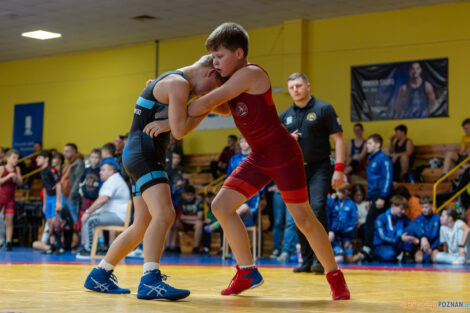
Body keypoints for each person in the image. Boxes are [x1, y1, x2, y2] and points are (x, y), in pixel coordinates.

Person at [186, 22, 349, 300]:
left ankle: (335, 277)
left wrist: (167, 98)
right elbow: (222, 107)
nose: (215, 62)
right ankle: (247, 271)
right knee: (221, 206)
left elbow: (205, 103)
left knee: (304, 219)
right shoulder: (233, 82)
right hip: (260, 156)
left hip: (284, 154)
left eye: (220, 56)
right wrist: (171, 89)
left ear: (239, 53)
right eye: (212, 57)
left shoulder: (250, 74)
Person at [83, 54, 223, 300]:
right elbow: (180, 129)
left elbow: (184, 124)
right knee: (165, 214)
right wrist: (195, 111)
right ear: (210, 72)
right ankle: (150, 279)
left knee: (142, 224)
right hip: (144, 153)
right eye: (215, 86)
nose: (210, 93)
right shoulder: (178, 84)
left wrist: (186, 114)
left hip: (139, 153)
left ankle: (100, 274)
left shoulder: (176, 80)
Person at [279, 72, 346, 274]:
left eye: (299, 85)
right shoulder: (285, 115)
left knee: (317, 208)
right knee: (300, 214)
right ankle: (306, 260)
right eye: (291, 87)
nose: (295, 90)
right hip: (295, 170)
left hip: (319, 167)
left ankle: (320, 259)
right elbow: (279, 146)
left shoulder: (323, 108)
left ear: (308, 86)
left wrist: (339, 170)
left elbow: (340, 140)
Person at [77, 163, 130, 258]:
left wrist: (88, 212)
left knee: (89, 219)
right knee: (91, 216)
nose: (100, 172)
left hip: (118, 216)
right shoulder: (113, 180)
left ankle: (89, 250)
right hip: (114, 214)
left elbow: (103, 199)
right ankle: (96, 247)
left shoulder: (113, 181)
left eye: (103, 170)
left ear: (111, 171)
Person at [360, 134, 394, 261]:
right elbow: (371, 181)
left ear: (377, 145)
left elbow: (387, 178)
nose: (367, 146)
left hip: (381, 195)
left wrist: (383, 197)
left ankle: (368, 247)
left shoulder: (383, 159)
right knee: (372, 221)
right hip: (374, 195)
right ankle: (373, 248)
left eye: (369, 143)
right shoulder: (371, 159)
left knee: (370, 220)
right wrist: (369, 198)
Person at [373, 195, 418, 262]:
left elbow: (414, 226)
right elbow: (383, 237)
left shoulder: (403, 217)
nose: (403, 212)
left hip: (396, 244)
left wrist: (422, 237)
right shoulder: (381, 218)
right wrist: (400, 238)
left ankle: (406, 254)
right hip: (382, 245)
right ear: (393, 206)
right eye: (401, 209)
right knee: (389, 256)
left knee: (410, 229)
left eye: (404, 209)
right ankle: (377, 256)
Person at [37, 150, 62, 254]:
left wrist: (58, 201)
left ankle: (59, 245)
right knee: (49, 221)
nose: (37, 160)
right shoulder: (42, 171)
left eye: (39, 158)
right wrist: (44, 204)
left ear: (46, 159)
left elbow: (58, 184)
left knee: (55, 221)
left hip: (55, 197)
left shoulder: (51, 170)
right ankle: (52, 245)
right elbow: (44, 188)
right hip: (48, 199)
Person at [327, 184, 358, 264]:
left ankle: (362, 255)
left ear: (346, 192)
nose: (339, 194)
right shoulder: (334, 202)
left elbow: (354, 222)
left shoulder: (351, 204)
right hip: (336, 235)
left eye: (341, 192)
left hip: (346, 236)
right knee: (339, 257)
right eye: (337, 192)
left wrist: (344, 230)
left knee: (349, 260)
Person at [77, 149, 101, 247]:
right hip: (86, 199)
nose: (95, 160)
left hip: (96, 200)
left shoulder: (101, 170)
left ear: (100, 159)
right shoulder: (87, 170)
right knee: (83, 220)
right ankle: (83, 243)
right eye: (93, 157)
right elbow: (81, 181)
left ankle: (97, 244)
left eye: (97, 158)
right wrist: (80, 191)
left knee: (95, 222)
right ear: (90, 158)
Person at [56, 143, 85, 225]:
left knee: (76, 220)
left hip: (72, 196)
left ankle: (80, 238)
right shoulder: (68, 163)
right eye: (64, 151)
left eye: (67, 151)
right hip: (65, 195)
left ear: (74, 151)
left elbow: (78, 179)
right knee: (65, 221)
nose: (65, 153)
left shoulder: (79, 162)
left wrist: (72, 194)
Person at [0, 149, 22, 251]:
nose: (16, 160)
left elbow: (20, 183)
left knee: (9, 221)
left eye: (17, 158)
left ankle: (8, 242)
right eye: (14, 158)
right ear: (7, 158)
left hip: (10, 199)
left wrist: (16, 178)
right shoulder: (2, 168)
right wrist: (8, 176)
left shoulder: (17, 169)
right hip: (1, 197)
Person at [411, 197, 440, 263]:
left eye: (426, 207)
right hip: (421, 247)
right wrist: (423, 247)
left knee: (435, 259)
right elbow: (416, 236)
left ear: (432, 207)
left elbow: (439, 237)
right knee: (419, 259)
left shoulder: (438, 218)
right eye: (422, 207)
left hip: (434, 246)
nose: (424, 210)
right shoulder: (417, 220)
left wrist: (431, 248)